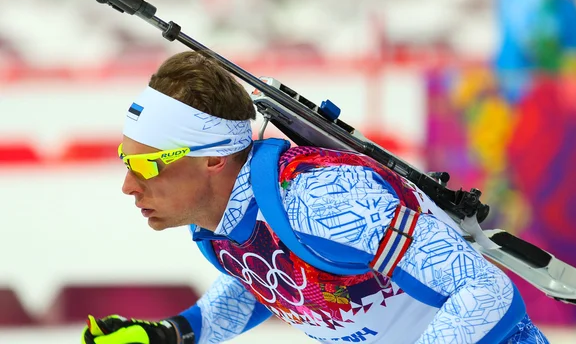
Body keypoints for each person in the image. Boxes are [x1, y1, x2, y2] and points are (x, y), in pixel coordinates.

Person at [81, 51, 549, 344]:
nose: (129, 184)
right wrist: (175, 333)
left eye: (147, 164)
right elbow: (273, 282)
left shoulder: (322, 197)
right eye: (126, 160)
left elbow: (483, 290)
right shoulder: (218, 226)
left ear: (213, 159)